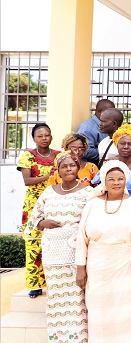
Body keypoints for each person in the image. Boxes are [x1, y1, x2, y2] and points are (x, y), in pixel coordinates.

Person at [75, 160, 131, 343]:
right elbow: (81, 237)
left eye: (120, 178)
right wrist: (81, 268)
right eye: (111, 179)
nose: (116, 182)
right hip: (98, 262)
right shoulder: (92, 204)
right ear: (104, 181)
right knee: (98, 306)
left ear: (126, 180)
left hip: (128, 262)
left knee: (126, 307)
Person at [24, 151, 90, 343]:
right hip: (52, 253)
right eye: (64, 166)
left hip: (75, 253)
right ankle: (55, 341)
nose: (68, 169)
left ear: (78, 168)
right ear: (58, 171)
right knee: (55, 299)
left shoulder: (88, 193)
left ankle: (80, 341)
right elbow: (33, 220)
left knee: (77, 298)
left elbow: (93, 221)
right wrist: (42, 223)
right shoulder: (48, 193)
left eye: (72, 165)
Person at [18, 122, 59, 297]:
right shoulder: (28, 155)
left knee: (54, 244)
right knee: (34, 244)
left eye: (47, 135)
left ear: (51, 137)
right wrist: (49, 176)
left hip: (54, 201)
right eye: (40, 136)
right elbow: (27, 181)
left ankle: (54, 282)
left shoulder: (59, 155)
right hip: (33, 203)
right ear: (34, 138)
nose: (44, 138)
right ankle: (34, 285)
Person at [92, 124, 131, 196]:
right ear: (116, 145)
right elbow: (95, 186)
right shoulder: (108, 166)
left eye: (130, 144)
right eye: (122, 143)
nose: (126, 147)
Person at [76, 99, 114, 164]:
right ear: (99, 111)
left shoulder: (106, 125)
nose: (112, 114)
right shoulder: (87, 127)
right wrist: (107, 151)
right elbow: (85, 151)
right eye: (109, 112)